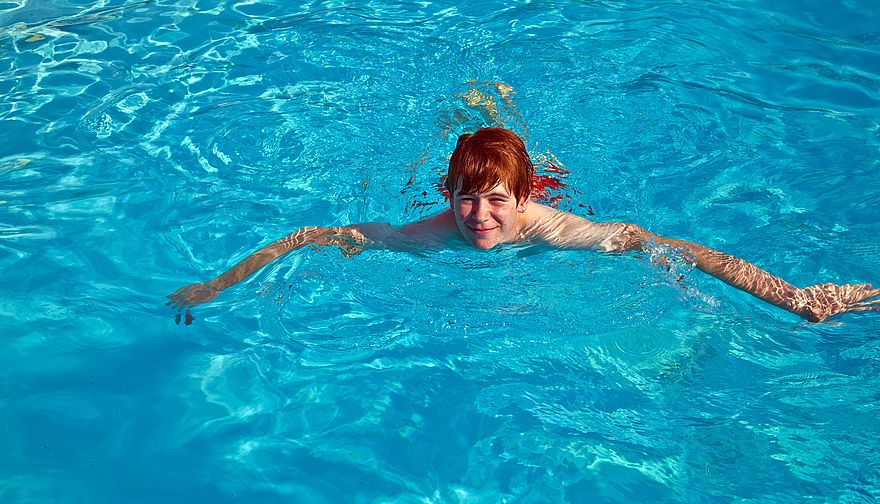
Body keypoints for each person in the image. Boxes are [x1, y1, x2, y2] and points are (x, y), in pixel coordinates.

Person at [167, 127, 880, 323]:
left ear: (523, 198)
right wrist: (217, 283)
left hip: (551, 187)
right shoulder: (431, 233)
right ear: (449, 196)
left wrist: (793, 294)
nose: (481, 217)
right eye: (468, 199)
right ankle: (474, 120)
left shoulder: (544, 224)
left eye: (497, 200)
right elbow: (307, 236)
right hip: (466, 177)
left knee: (568, 189)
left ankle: (507, 125)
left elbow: (660, 245)